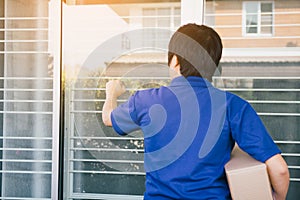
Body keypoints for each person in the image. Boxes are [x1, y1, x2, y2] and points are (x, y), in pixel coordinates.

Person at [102, 24, 289, 200]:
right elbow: (279, 170)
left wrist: (111, 92)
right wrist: (276, 197)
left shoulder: (145, 100)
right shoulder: (233, 106)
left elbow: (108, 118)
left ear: (174, 60)